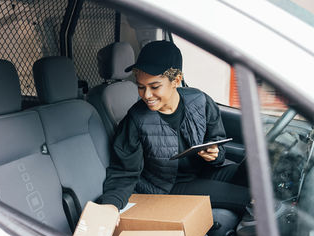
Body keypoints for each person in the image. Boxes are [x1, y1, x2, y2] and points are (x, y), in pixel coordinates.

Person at [96, 40, 249, 213]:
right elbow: (123, 172)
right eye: (140, 87)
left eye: (154, 87)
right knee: (250, 199)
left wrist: (215, 154)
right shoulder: (135, 119)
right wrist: (110, 207)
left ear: (176, 80)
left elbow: (217, 140)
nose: (146, 95)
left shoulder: (201, 101)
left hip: (205, 171)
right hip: (168, 186)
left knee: (257, 179)